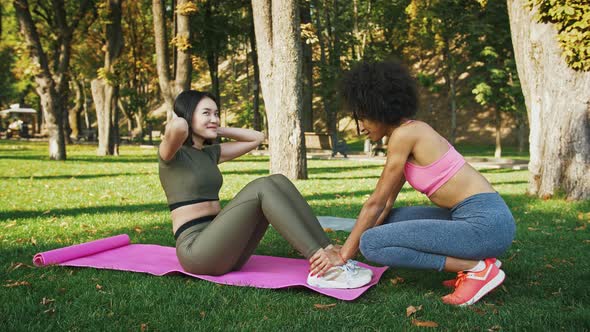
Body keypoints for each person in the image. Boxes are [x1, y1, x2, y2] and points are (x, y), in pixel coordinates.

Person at [310, 61, 516, 305]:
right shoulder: (408, 132)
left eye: (363, 118)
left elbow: (375, 202)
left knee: (372, 243)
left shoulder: (405, 135)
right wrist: (346, 246)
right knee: (387, 221)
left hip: (486, 226)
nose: (361, 128)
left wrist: (345, 254)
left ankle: (476, 268)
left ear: (381, 109)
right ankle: (475, 267)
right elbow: (385, 204)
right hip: (474, 218)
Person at [158, 90, 372, 289]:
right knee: (261, 187)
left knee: (277, 180)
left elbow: (257, 138)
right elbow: (178, 128)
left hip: (225, 249)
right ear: (188, 116)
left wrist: (213, 128)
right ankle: (323, 270)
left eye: (216, 114)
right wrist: (190, 121)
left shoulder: (210, 153)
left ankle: (328, 252)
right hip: (196, 252)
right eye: (206, 113)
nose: (214, 118)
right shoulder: (171, 155)